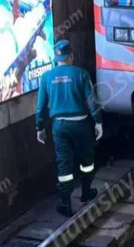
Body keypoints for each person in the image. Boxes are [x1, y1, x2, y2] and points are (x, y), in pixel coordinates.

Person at [36, 39, 103, 216]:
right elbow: (91, 101)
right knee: (86, 160)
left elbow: (41, 107)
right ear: (71, 56)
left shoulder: (46, 77)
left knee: (63, 163)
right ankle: (86, 192)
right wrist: (98, 121)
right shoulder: (81, 74)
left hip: (60, 126)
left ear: (55, 58)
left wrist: (40, 127)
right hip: (81, 124)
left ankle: (66, 203)